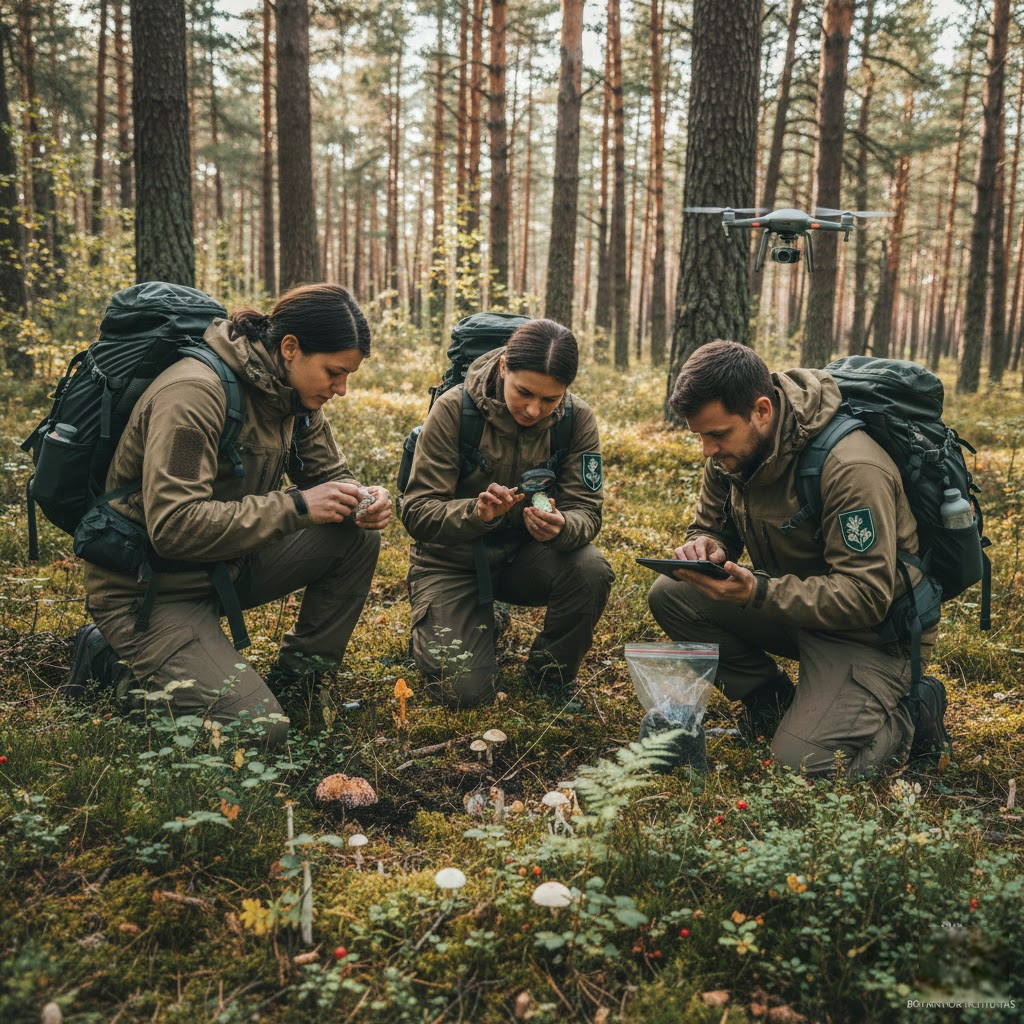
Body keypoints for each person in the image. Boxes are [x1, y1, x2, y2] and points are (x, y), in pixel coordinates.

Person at [79, 284, 391, 746]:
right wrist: (298, 505)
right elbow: (174, 527)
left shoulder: (292, 396)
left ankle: (300, 681)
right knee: (261, 733)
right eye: (334, 372)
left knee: (354, 532)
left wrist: (365, 499)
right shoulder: (195, 393)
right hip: (148, 589)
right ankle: (108, 662)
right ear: (290, 348)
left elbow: (334, 477)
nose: (341, 389)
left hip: (223, 566)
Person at [646, 340, 949, 776]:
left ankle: (912, 713)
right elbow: (712, 527)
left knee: (803, 765)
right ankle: (771, 703)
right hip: (796, 608)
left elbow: (867, 597)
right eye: (700, 436)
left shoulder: (851, 467)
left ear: (762, 411)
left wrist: (757, 590)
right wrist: (708, 546)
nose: (707, 451)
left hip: (873, 635)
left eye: (716, 435)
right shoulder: (732, 454)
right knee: (673, 593)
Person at [400, 319, 614, 707]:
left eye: (550, 400)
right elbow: (416, 512)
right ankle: (464, 618)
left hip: (525, 558)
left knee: (590, 568)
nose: (534, 409)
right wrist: (476, 513)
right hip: (451, 562)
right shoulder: (454, 410)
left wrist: (562, 527)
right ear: (503, 368)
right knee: (462, 693)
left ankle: (550, 677)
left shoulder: (576, 419)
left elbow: (587, 510)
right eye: (524, 392)